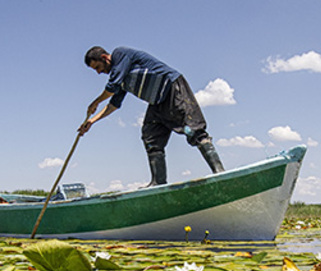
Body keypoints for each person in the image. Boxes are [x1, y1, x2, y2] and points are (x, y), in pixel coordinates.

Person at [77, 46, 224, 187]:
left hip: (171, 86)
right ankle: (158, 182)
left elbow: (111, 86)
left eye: (97, 67)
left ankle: (219, 172)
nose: (98, 72)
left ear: (104, 58)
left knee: (193, 129)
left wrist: (95, 102)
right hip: (157, 101)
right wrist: (92, 121)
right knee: (150, 136)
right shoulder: (119, 77)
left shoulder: (120, 54)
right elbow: (113, 104)